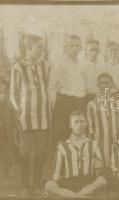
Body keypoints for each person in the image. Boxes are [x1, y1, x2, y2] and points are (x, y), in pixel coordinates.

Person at [9, 34, 51, 196]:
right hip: (26, 116)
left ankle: (37, 185)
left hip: (44, 116)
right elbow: (13, 93)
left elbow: (49, 88)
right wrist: (18, 110)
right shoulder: (17, 67)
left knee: (41, 151)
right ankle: (26, 186)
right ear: (29, 48)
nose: (42, 49)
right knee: (26, 151)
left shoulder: (45, 65)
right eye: (39, 46)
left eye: (42, 46)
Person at [45, 110, 107, 198]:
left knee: (102, 180)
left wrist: (98, 179)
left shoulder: (93, 144)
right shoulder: (62, 146)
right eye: (76, 122)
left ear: (86, 124)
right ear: (70, 125)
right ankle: (81, 197)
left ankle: (73, 196)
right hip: (68, 183)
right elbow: (56, 174)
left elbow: (100, 170)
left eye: (82, 121)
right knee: (49, 185)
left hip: (88, 182)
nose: (79, 125)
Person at [49, 34, 86, 143]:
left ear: (81, 48)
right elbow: (52, 87)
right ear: (65, 47)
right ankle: (61, 158)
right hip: (64, 101)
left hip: (79, 101)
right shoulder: (59, 63)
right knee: (62, 133)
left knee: (79, 132)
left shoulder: (82, 64)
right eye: (71, 45)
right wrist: (56, 106)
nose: (74, 48)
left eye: (77, 46)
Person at [87, 73, 119, 168]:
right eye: (101, 83)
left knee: (116, 166)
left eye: (107, 83)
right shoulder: (91, 104)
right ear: (98, 85)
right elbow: (90, 127)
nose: (104, 86)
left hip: (116, 140)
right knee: (102, 168)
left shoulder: (118, 103)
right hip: (100, 141)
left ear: (111, 84)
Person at [0, 78, 17, 178]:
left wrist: (14, 127)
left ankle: (8, 170)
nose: (1, 86)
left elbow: (14, 113)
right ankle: (2, 169)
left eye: (2, 84)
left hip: (8, 129)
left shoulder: (10, 98)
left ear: (6, 86)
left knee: (8, 150)